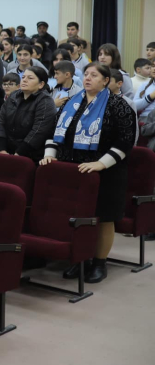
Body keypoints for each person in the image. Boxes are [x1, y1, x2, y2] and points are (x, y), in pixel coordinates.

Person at [43, 63, 137, 283]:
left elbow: (125, 142)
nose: (87, 78)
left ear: (105, 81)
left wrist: (101, 164)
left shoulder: (119, 106)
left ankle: (99, 263)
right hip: (74, 171)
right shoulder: (71, 103)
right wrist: (50, 154)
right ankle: (80, 259)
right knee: (78, 217)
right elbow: (54, 131)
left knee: (104, 218)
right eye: (85, 74)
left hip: (107, 172)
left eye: (94, 75)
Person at [0, 66, 56, 163]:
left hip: (31, 156)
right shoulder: (13, 96)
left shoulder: (45, 101)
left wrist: (18, 153)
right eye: (23, 77)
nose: (24, 80)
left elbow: (39, 131)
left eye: (30, 78)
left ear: (41, 84)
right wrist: (2, 150)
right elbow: (0, 123)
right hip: (7, 152)